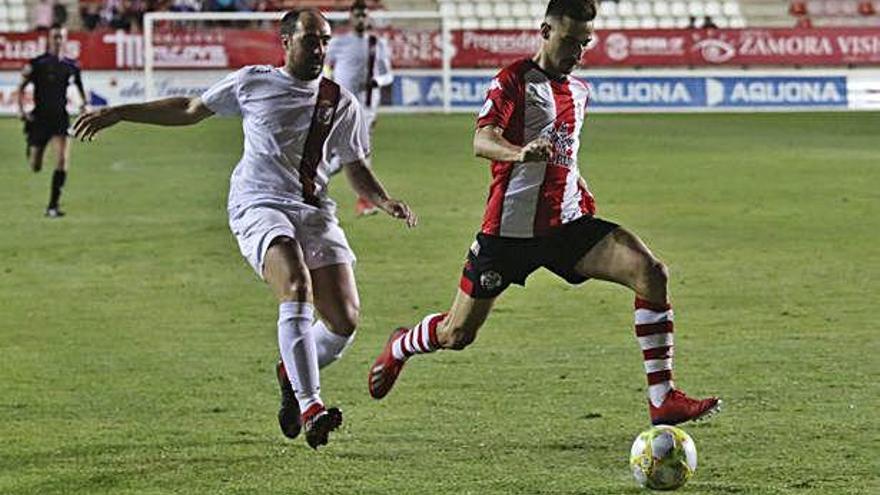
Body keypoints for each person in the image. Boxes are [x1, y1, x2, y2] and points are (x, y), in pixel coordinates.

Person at [73, 9, 417, 449]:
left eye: (325, 41)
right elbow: (191, 109)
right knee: (295, 285)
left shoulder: (340, 100)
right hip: (258, 203)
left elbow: (356, 165)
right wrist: (121, 111)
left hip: (312, 210)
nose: (320, 50)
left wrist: (383, 199)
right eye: (311, 40)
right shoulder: (253, 82)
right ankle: (311, 404)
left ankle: (287, 369)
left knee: (344, 322)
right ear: (286, 41)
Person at [368, 0, 721, 427]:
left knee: (652, 273)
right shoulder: (512, 81)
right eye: (570, 41)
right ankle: (400, 346)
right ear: (545, 31)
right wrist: (519, 153)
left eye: (584, 43)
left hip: (567, 225)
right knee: (456, 335)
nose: (577, 51)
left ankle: (662, 399)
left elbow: (564, 153)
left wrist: (579, 183)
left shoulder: (580, 91)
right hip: (508, 234)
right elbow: (482, 140)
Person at [325, 0, 393, 217]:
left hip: (366, 107)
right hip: (342, 106)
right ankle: (311, 181)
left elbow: (388, 74)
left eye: (365, 15)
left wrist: (377, 81)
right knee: (348, 154)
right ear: (351, 17)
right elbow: (324, 66)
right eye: (358, 15)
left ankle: (365, 201)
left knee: (360, 152)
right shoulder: (338, 43)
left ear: (368, 18)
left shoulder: (376, 44)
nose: (361, 19)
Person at [17, 24, 87, 218]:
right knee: (36, 166)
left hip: (60, 118)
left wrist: (84, 106)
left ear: (65, 40)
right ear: (49, 39)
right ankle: (31, 143)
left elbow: (80, 89)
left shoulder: (72, 66)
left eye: (61, 37)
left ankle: (52, 206)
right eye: (55, 37)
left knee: (63, 161)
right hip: (39, 119)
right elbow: (21, 87)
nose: (58, 40)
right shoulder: (37, 63)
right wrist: (22, 110)